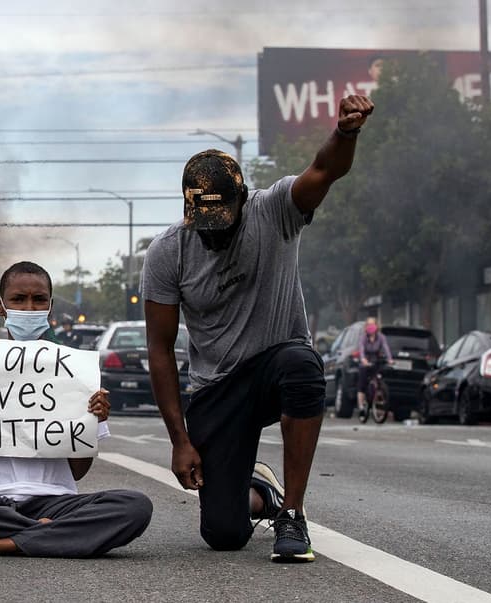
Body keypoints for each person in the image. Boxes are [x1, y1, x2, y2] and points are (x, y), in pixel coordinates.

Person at [141, 95, 374, 563]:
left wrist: (345, 132)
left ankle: (292, 513)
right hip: (216, 390)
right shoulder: (167, 252)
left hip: (274, 366)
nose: (213, 235)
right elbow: (161, 350)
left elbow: (325, 171)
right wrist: (179, 441)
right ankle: (261, 494)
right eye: (203, 225)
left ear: (243, 199)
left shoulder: (275, 211)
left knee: (302, 363)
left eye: (221, 224)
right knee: (224, 534)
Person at [0, 261, 153, 558]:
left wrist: (92, 417)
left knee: (135, 506)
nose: (29, 307)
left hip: (52, 501)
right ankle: (43, 533)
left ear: (49, 306)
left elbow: (77, 472)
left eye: (39, 300)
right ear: (1, 306)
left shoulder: (74, 371)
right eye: (18, 299)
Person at [356, 317, 391, 412]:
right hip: (366, 362)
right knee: (362, 383)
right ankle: (361, 407)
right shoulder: (363, 338)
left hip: (376, 361)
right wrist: (363, 359)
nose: (371, 327)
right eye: (369, 324)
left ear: (376, 326)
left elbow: (386, 348)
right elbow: (361, 349)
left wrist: (389, 359)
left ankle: (378, 396)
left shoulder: (381, 337)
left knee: (379, 378)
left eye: (373, 324)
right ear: (366, 327)